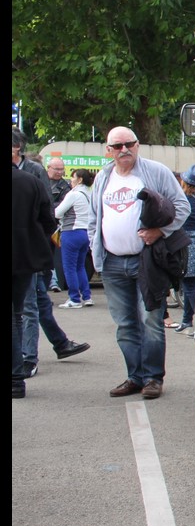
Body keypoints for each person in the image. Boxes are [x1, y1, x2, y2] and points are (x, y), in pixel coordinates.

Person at [89, 127, 190, 400]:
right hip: (112, 263)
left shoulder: (155, 172)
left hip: (146, 261)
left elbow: (182, 207)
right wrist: (95, 249)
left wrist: (160, 232)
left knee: (151, 321)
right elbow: (93, 218)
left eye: (129, 144)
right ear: (108, 150)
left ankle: (153, 378)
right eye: (118, 146)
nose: (124, 150)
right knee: (125, 324)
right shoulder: (103, 177)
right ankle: (135, 376)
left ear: (138, 145)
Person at [12, 130, 90, 375]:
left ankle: (28, 359)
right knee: (37, 301)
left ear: (17, 148)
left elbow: (47, 213)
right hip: (30, 249)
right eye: (56, 169)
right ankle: (59, 343)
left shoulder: (33, 173)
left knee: (30, 305)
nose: (58, 173)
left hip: (29, 250)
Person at [12, 160, 59, 398]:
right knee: (17, 313)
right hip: (24, 257)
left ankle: (15, 378)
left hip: (24, 256)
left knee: (17, 315)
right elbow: (49, 219)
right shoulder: (30, 181)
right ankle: (17, 374)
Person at [54, 168, 95, 308]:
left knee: (69, 267)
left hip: (71, 232)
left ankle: (74, 299)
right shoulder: (90, 194)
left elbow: (58, 212)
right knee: (80, 266)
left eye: (73, 177)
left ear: (80, 179)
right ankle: (87, 296)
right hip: (85, 233)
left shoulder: (73, 194)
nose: (71, 180)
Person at [175, 164, 195, 334]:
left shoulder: (183, 201)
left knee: (189, 285)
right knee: (193, 284)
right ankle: (187, 320)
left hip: (188, 246)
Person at [46, 157, 71, 292]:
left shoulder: (65, 186)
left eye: (62, 169)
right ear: (48, 168)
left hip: (56, 227)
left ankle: (55, 282)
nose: (60, 172)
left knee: (55, 256)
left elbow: (63, 205)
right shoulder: (41, 180)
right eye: (57, 169)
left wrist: (47, 207)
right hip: (41, 225)